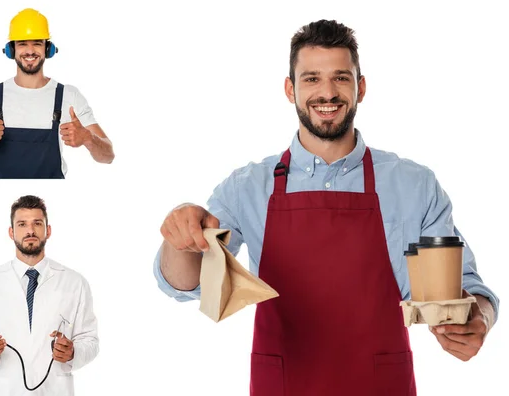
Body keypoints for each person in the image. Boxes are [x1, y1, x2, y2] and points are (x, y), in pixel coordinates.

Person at [154, 20, 500, 395]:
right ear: (290, 89)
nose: (327, 93)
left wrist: (478, 315)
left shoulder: (413, 184)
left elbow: (465, 287)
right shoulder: (248, 187)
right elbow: (189, 285)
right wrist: (180, 236)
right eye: (311, 79)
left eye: (340, 77)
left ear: (360, 87)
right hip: (285, 384)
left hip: (381, 385)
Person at [0, 8, 114, 178]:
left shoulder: (69, 96)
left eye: (37, 43)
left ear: (48, 49)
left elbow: (108, 157)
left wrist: (88, 138)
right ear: (11, 50)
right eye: (22, 44)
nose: (30, 51)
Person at [0, 195, 99, 395]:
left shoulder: (75, 283)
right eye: (22, 224)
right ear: (11, 232)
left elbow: (91, 341)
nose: (30, 231)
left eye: (37, 223)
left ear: (48, 230)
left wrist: (73, 353)